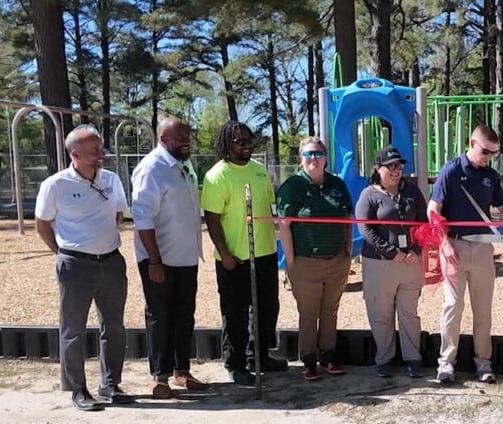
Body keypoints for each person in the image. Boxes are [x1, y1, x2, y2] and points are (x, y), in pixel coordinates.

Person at [34, 125, 130, 411]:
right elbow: (42, 224)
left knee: (114, 327)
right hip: (75, 264)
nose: (101, 154)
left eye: (100, 148)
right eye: (93, 151)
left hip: (111, 261)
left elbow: (118, 214)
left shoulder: (111, 179)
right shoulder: (56, 185)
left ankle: (110, 384)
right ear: (74, 154)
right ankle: (78, 389)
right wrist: (63, 252)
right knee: (73, 329)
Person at [429, 124, 503, 384]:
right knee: (452, 306)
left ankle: (483, 362)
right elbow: (433, 210)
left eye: (493, 153)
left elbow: (502, 207)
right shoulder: (451, 170)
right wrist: (443, 245)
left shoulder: (490, 174)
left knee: (483, 309)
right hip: (454, 245)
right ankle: (446, 363)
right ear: (472, 143)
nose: (487, 157)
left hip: (482, 248)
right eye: (484, 151)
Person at [201, 121, 288, 386]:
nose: (247, 144)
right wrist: (224, 253)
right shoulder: (217, 175)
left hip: (264, 253)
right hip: (234, 258)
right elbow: (212, 221)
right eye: (240, 141)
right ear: (227, 144)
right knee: (236, 312)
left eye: (249, 140)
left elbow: (269, 208)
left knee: (267, 307)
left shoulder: (260, 171)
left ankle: (259, 356)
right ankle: (235, 362)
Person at [131, 117, 206, 399]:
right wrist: (154, 260)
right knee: (160, 316)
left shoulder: (182, 167)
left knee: (184, 316)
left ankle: (181, 371)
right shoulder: (152, 168)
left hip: (185, 258)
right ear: (163, 139)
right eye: (178, 137)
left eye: (187, 135)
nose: (185, 140)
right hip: (159, 260)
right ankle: (158, 376)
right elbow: (142, 217)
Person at [277, 136, 353, 381]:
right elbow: (285, 225)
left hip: (337, 260)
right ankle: (308, 360)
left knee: (330, 310)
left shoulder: (337, 184)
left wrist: (347, 250)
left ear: (326, 158)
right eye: (309, 154)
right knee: (309, 313)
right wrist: (290, 261)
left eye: (318, 154)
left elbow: (348, 218)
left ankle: (328, 356)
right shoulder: (292, 186)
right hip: (305, 261)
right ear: (301, 158)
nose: (314, 158)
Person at [355, 145, 428, 378]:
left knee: (409, 313)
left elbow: (423, 223)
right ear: (378, 168)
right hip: (379, 263)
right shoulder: (369, 195)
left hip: (410, 262)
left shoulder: (413, 191)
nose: (397, 170)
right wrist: (390, 252)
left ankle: (413, 358)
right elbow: (365, 228)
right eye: (391, 166)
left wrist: (416, 249)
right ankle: (384, 358)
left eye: (400, 166)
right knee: (381, 313)